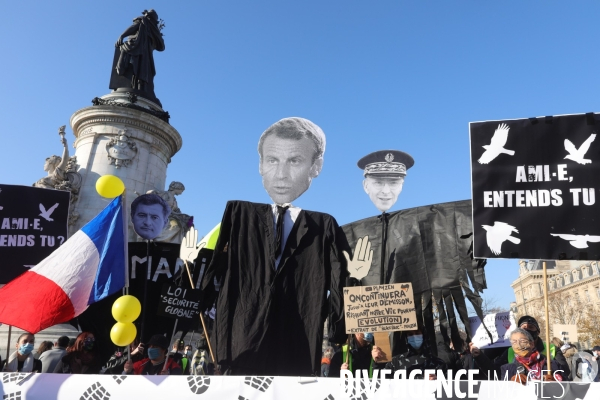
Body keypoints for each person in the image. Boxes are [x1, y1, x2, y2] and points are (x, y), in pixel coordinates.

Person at [200, 117, 349, 376]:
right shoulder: (238, 216)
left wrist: (338, 326)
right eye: (272, 160)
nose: (282, 174)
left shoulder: (324, 226)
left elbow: (340, 278)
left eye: (295, 161)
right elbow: (215, 267)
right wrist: (200, 300)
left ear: (316, 167)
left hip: (298, 330)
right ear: (260, 165)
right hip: (241, 335)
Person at [110, 9, 165, 103]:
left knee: (144, 74)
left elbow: (161, 47)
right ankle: (135, 87)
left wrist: (156, 34)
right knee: (135, 70)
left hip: (145, 57)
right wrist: (122, 36)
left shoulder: (152, 30)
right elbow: (133, 28)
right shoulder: (143, 22)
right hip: (136, 51)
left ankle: (140, 89)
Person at [493, 315, 570, 377]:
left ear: (538, 332)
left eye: (531, 327)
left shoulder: (552, 348)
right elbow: (495, 373)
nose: (527, 330)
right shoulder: (510, 352)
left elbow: (565, 371)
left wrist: (555, 377)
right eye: (524, 328)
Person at [501, 328, 566, 384]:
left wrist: (557, 383)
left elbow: (568, 388)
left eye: (522, 341)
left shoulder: (552, 365)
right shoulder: (507, 369)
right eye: (514, 342)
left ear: (532, 344)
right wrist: (511, 383)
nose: (519, 345)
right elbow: (502, 393)